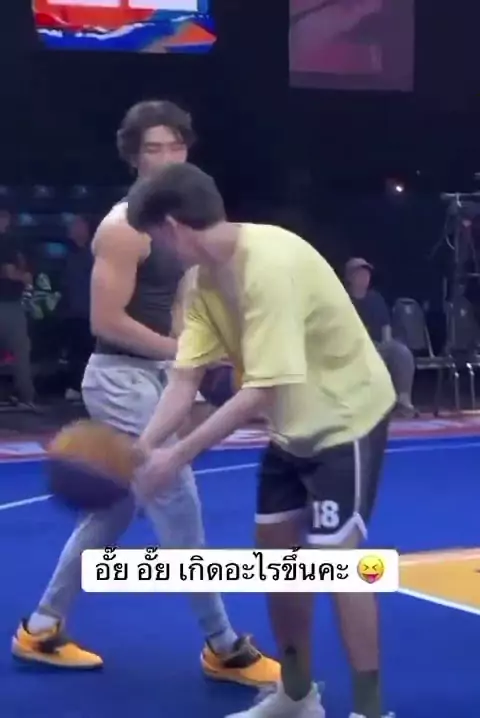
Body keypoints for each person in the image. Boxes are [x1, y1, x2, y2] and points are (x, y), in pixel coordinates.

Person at [12, 101, 279, 687]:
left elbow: (184, 300)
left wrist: (206, 354)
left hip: (159, 374)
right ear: (133, 157)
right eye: (152, 149)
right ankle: (223, 646)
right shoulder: (123, 228)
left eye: (174, 146)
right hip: (119, 376)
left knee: (113, 510)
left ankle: (41, 626)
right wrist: (184, 354)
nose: (165, 158)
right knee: (176, 495)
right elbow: (106, 321)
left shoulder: (183, 218)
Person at [125, 162, 396, 718]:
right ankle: (296, 695)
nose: (159, 249)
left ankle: (371, 711)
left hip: (345, 419)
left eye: (155, 237)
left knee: (337, 561)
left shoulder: (269, 265)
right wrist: (143, 447)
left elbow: (260, 392)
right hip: (291, 428)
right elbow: (185, 378)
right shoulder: (203, 283)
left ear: (173, 227)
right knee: (277, 559)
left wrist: (176, 457)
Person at [345, 257, 417, 417]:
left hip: (378, 346)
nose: (364, 277)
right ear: (350, 277)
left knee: (401, 352)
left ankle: (403, 400)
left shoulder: (376, 299)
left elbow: (386, 327)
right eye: (360, 274)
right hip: (353, 348)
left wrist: (387, 345)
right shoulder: (342, 300)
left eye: (366, 274)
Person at [0, 208, 37, 408]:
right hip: (7, 305)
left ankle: (25, 397)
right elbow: (8, 271)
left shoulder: (12, 242)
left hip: (12, 303)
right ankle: (26, 397)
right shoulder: (6, 243)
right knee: (20, 351)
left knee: (20, 351)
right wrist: (23, 277)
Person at [62, 214, 94, 399]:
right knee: (75, 353)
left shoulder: (96, 253)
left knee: (92, 352)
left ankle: (91, 389)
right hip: (73, 312)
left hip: (93, 311)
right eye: (73, 226)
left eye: (78, 225)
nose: (74, 229)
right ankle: (75, 387)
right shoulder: (66, 254)